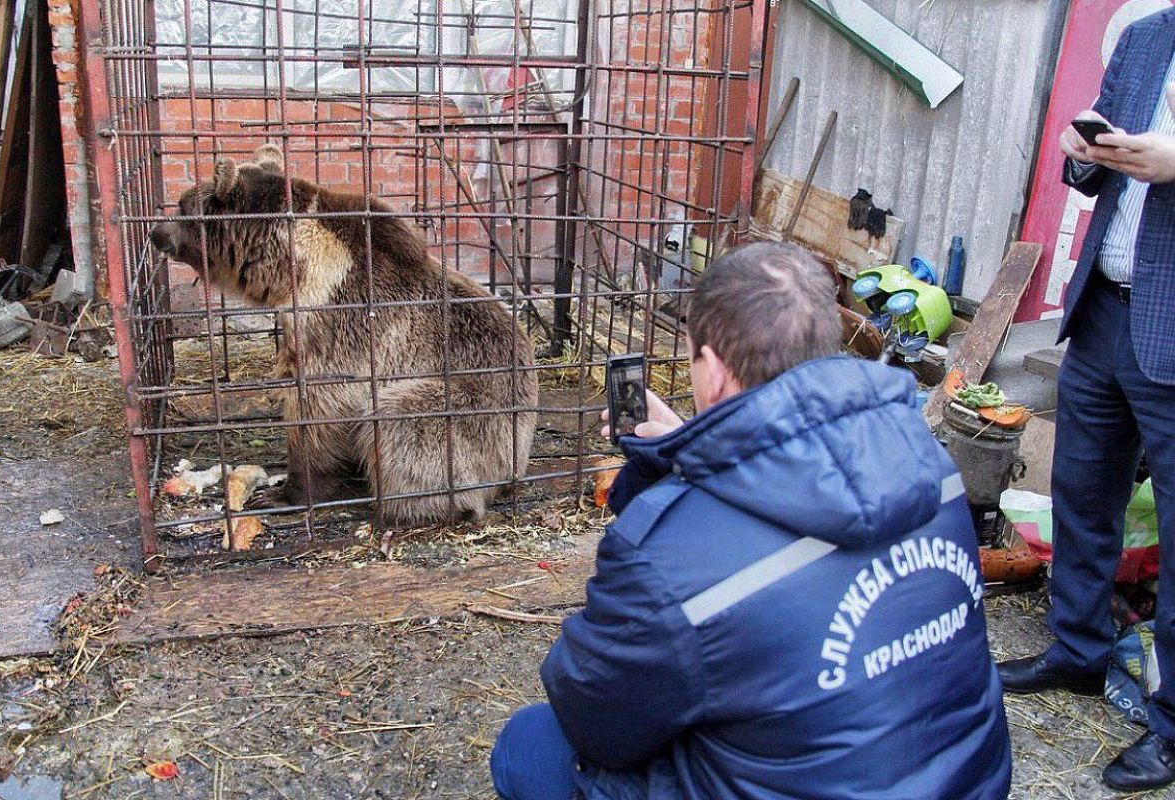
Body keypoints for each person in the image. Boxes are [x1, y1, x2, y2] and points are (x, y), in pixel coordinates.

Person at [489, 241, 1011, 800]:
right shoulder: (931, 463)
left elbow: (597, 721)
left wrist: (685, 483)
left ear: (711, 370)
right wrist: (685, 452)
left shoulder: (666, 554)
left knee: (531, 745)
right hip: (968, 782)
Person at [996, 8, 1175, 793]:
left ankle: (1171, 730)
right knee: (1082, 489)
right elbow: (1091, 166)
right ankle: (1076, 650)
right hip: (1104, 306)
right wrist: (1081, 153)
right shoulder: (1145, 35)